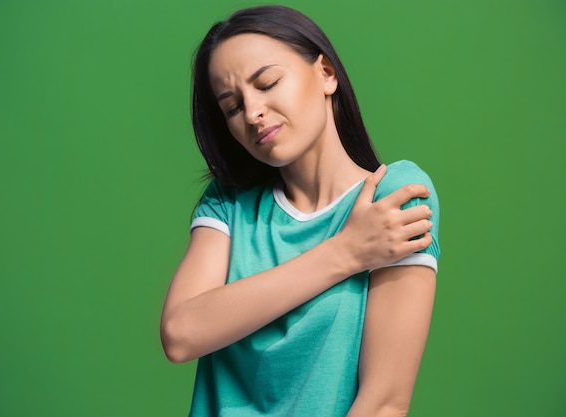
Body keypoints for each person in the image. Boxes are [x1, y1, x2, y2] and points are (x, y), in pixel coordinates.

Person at [160, 5, 440, 417]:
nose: (253, 112)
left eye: (268, 82)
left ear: (326, 73)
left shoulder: (393, 196)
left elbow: (384, 403)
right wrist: (346, 253)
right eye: (232, 107)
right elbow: (180, 334)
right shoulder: (228, 202)